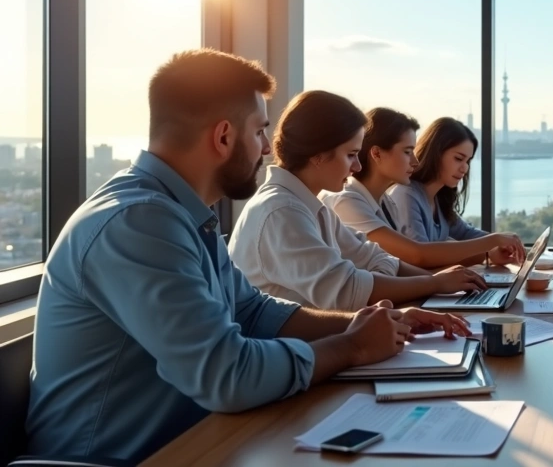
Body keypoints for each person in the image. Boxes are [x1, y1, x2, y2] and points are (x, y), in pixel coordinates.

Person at [26, 50, 470, 463]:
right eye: (259, 130)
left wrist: (372, 324)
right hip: (121, 459)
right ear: (223, 136)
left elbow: (253, 310)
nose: (266, 147)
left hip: (196, 440)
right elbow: (227, 375)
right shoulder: (138, 223)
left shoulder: (179, 214)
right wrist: (352, 346)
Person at [230, 91, 488, 312]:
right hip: (294, 357)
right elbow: (346, 290)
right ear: (319, 155)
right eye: (351, 154)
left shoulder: (312, 207)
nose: (357, 165)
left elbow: (372, 256)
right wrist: (435, 283)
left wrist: (441, 280)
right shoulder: (282, 212)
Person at [323, 107, 525, 269]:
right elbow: (417, 255)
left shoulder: (387, 203)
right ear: (376, 154)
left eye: (468, 161)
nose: (415, 161)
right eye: (407, 152)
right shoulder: (351, 201)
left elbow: (399, 265)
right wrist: (490, 245)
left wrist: (489, 252)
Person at [393, 117, 517, 250]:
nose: (465, 168)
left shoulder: (439, 199)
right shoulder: (406, 195)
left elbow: (466, 233)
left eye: (467, 161)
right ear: (435, 153)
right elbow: (421, 256)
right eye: (458, 159)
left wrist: (505, 243)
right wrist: (492, 246)